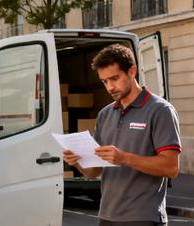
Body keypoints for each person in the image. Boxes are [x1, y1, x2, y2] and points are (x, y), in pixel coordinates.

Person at [62, 44, 181, 226]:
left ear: (132, 71)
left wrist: (124, 158)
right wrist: (78, 161)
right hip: (107, 215)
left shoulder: (160, 110)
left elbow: (171, 167)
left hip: (143, 217)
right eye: (104, 81)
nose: (109, 87)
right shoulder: (105, 114)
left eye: (114, 79)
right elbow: (95, 172)